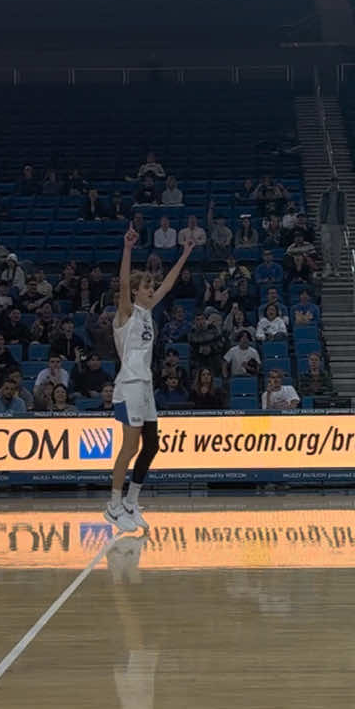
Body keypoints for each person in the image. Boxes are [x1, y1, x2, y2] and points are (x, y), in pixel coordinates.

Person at [105, 227, 193, 533]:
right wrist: (128, 248)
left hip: (145, 387)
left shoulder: (147, 312)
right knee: (129, 448)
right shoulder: (126, 313)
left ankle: (131, 501)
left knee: (152, 445)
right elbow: (126, 281)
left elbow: (168, 286)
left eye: (151, 286)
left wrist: (185, 254)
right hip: (128, 385)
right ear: (135, 291)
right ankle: (113, 506)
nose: (151, 289)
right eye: (147, 286)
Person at [318, 175, 346, 277]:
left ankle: (336, 268)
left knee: (337, 248)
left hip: (338, 224)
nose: (334, 184)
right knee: (325, 246)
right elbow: (320, 208)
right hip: (326, 224)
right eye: (333, 182)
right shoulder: (325, 194)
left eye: (336, 182)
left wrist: (344, 223)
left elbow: (345, 209)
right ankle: (328, 266)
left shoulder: (341, 195)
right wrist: (319, 222)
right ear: (330, 183)